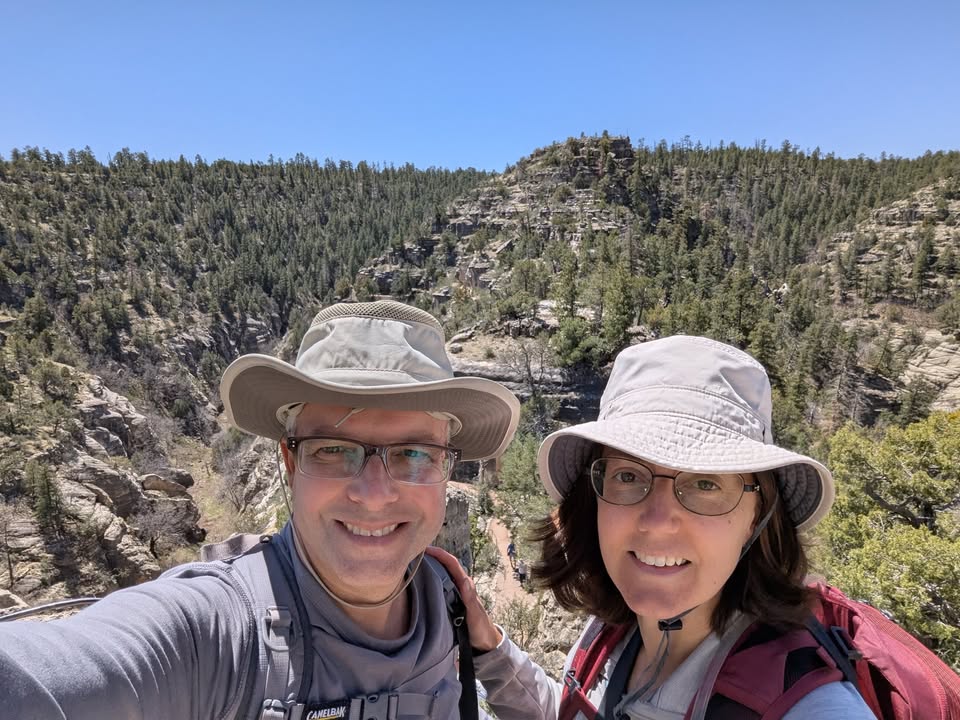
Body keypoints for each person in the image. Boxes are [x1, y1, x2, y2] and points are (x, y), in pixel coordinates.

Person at [0, 300, 520, 719]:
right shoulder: (217, 632)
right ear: (290, 463)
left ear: (447, 469)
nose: (374, 493)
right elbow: (56, 678)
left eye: (414, 453)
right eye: (332, 449)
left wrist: (493, 650)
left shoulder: (447, 602)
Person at [429, 335, 877, 719]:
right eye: (628, 476)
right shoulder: (614, 634)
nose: (658, 522)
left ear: (757, 517)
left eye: (705, 484)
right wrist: (491, 650)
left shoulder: (812, 706)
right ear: (594, 496)